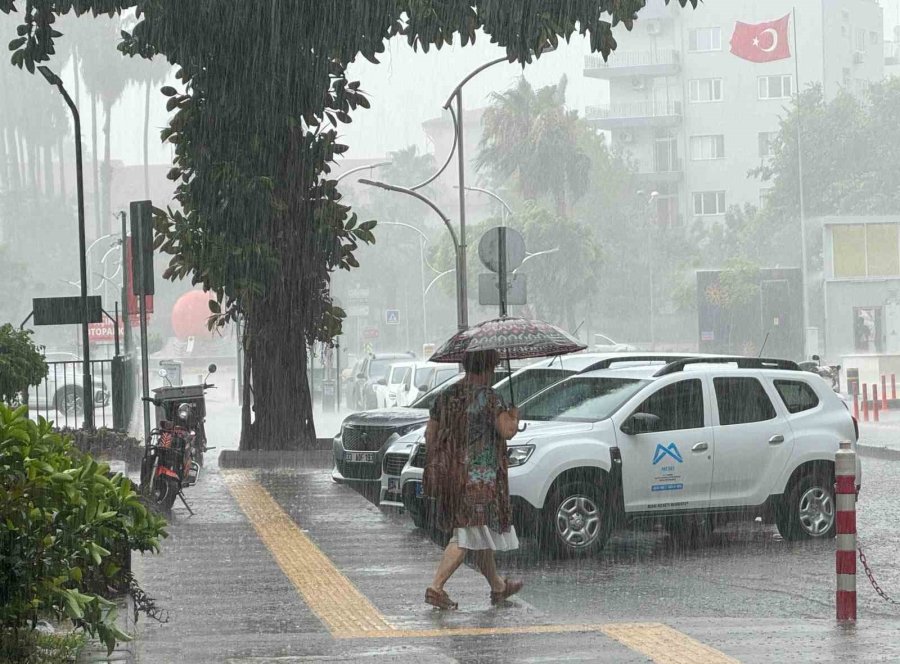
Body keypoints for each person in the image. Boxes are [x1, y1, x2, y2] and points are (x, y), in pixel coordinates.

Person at [422, 349, 523, 610]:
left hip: (451, 475)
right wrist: (514, 416)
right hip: (478, 477)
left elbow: (430, 434)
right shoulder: (489, 398)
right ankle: (437, 587)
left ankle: (498, 587)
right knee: (467, 533)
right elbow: (506, 431)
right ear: (488, 369)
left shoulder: (446, 395)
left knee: (479, 532)